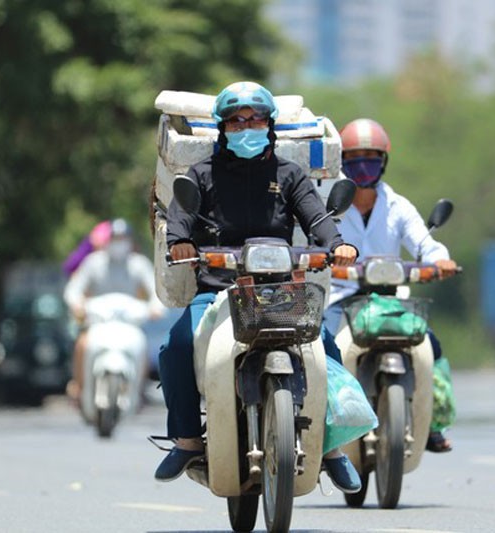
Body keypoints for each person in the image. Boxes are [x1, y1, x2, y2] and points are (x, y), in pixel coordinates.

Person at [155, 81, 362, 493]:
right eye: (236, 120)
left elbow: (317, 220)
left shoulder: (289, 174)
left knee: (326, 346)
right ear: (222, 128)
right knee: (175, 347)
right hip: (216, 292)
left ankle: (333, 449)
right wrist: (179, 242)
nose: (246, 126)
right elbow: (180, 217)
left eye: (254, 119)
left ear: (269, 125)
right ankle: (186, 439)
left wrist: (338, 246)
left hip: (280, 294)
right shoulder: (200, 175)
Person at [323, 118, 458, 452]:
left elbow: (425, 244)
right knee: (322, 348)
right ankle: (319, 423)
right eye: (354, 158)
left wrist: (440, 260)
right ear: (342, 162)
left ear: (384, 161)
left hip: (389, 297)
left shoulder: (398, 206)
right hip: (340, 296)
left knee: (431, 347)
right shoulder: (328, 202)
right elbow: (313, 238)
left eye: (371, 157)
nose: (363, 166)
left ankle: (432, 421)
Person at [63, 218, 163, 402]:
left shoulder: (139, 264)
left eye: (123, 238)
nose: (119, 243)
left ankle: (139, 389)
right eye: (115, 238)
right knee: (82, 344)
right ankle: (79, 386)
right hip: (98, 321)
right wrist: (77, 305)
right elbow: (73, 290)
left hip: (128, 323)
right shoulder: (93, 262)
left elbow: (155, 292)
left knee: (142, 345)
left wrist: (155, 308)